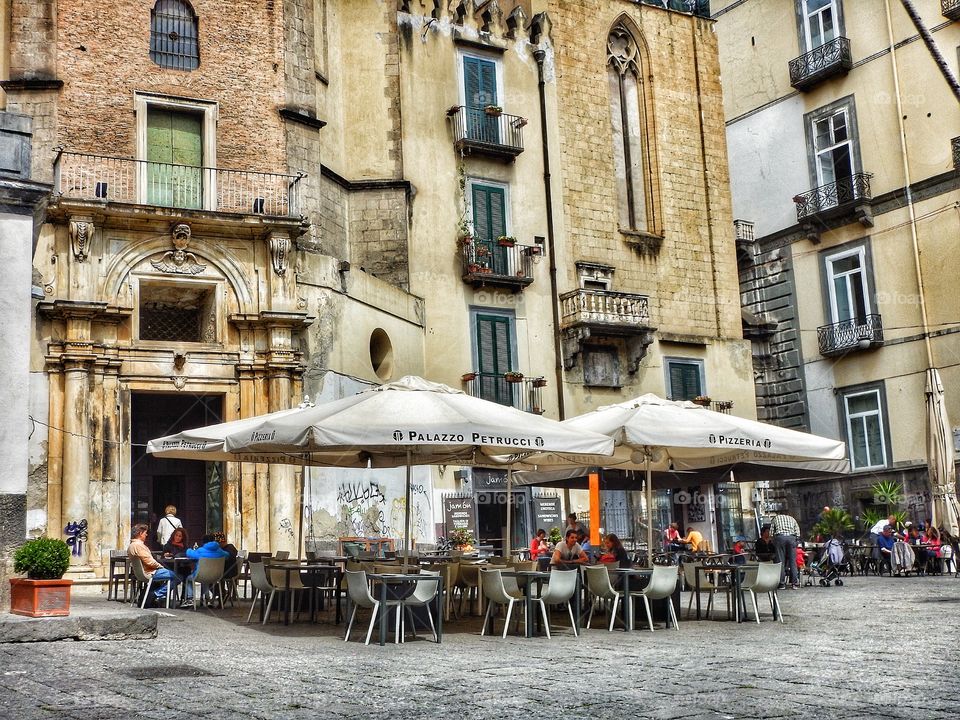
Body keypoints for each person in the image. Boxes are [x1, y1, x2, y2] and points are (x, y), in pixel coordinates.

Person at [127, 523, 180, 606]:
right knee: (178, 577)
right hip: (150, 572)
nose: (146, 535)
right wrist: (160, 567)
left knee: (165, 578)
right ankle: (156, 594)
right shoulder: (139, 546)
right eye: (145, 533)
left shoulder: (131, 546)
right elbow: (150, 562)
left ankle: (152, 598)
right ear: (140, 533)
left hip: (142, 573)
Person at [183, 534, 230, 607]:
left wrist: (188, 549)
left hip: (202, 575)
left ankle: (190, 598)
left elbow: (190, 553)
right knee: (206, 579)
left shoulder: (200, 551)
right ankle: (208, 598)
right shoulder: (220, 551)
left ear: (203, 542)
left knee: (188, 579)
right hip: (217, 576)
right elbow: (227, 555)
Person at [771, 511, 801, 589]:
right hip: (791, 538)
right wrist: (796, 541)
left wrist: (774, 542)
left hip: (780, 538)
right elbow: (797, 532)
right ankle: (794, 583)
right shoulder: (792, 519)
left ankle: (782, 584)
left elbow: (771, 533)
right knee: (792, 561)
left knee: (781, 561)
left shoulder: (776, 518)